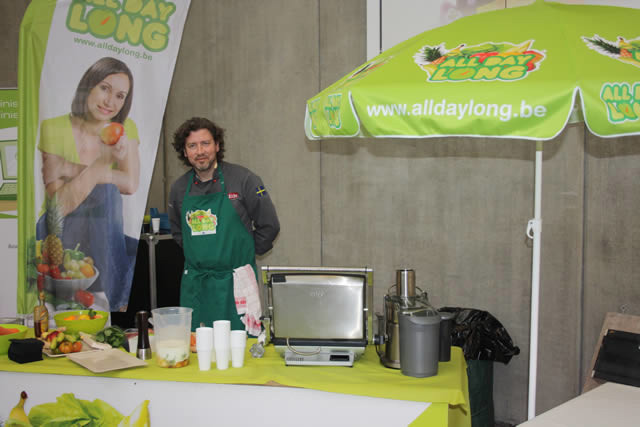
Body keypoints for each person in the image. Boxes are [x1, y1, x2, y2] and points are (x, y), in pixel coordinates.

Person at [36, 57, 140, 312]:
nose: (110, 102)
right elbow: (59, 206)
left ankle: (110, 303)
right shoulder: (53, 127)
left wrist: (70, 169)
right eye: (105, 88)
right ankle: (114, 305)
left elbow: (130, 184)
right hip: (61, 228)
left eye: (120, 96)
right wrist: (102, 165)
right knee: (107, 190)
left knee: (110, 200)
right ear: (88, 85)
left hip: (103, 229)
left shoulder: (124, 128)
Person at [168, 117, 279, 331]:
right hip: (196, 286)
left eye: (206, 143)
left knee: (241, 345)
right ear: (184, 151)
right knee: (197, 344)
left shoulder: (244, 180)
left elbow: (269, 225)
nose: (200, 151)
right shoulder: (178, 189)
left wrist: (243, 254)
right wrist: (204, 255)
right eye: (192, 146)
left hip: (236, 283)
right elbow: (178, 233)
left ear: (217, 145)